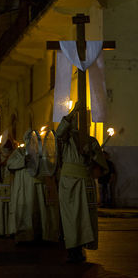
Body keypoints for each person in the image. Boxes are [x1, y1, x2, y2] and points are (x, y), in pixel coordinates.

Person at [56, 102, 108, 263]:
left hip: (85, 183)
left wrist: (90, 156)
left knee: (84, 218)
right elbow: (58, 134)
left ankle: (80, 249)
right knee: (71, 217)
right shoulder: (67, 139)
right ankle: (72, 249)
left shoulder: (91, 141)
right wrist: (72, 112)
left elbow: (100, 166)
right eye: (77, 119)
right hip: (69, 184)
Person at [7, 129, 59, 243]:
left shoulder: (42, 152)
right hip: (25, 186)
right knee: (27, 208)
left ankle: (43, 233)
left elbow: (49, 165)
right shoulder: (20, 152)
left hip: (40, 184)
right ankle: (25, 235)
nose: (32, 142)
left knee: (40, 208)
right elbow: (10, 164)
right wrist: (23, 160)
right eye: (30, 140)